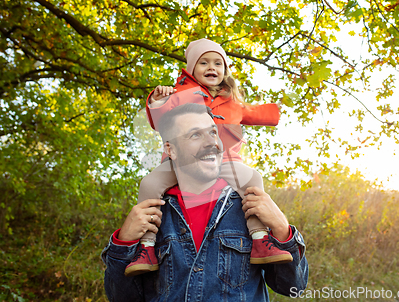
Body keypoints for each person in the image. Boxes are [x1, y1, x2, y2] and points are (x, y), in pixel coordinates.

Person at [101, 103, 308, 301]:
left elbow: (294, 287)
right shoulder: (153, 214)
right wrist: (124, 243)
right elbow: (123, 298)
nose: (211, 142)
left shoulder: (250, 206)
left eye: (212, 132)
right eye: (195, 135)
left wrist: (282, 229)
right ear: (170, 150)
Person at [125, 38, 291, 277]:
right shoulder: (181, 94)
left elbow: (256, 113)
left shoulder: (232, 103)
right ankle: (146, 246)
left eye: (217, 63)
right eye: (204, 62)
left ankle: (259, 239)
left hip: (225, 161)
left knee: (252, 179)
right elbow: (159, 118)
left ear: (225, 70)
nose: (211, 67)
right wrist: (157, 99)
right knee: (149, 184)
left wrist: (280, 109)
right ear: (191, 69)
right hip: (183, 161)